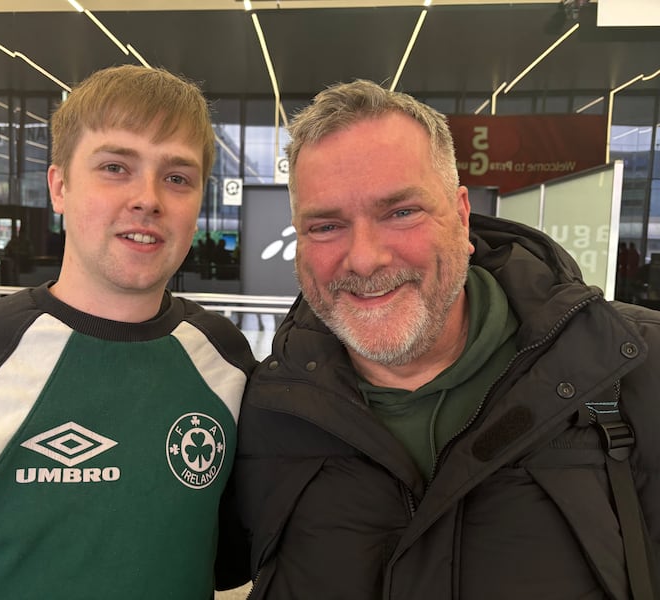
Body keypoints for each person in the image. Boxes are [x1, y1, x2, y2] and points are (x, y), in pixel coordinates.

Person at [234, 80, 660, 599]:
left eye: (401, 212)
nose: (364, 259)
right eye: (325, 226)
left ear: (461, 215)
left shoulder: (632, 369)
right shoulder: (263, 413)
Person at [0, 64, 255, 600]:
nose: (148, 198)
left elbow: (222, 557)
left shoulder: (225, 360)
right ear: (60, 187)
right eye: (115, 167)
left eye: (177, 177)